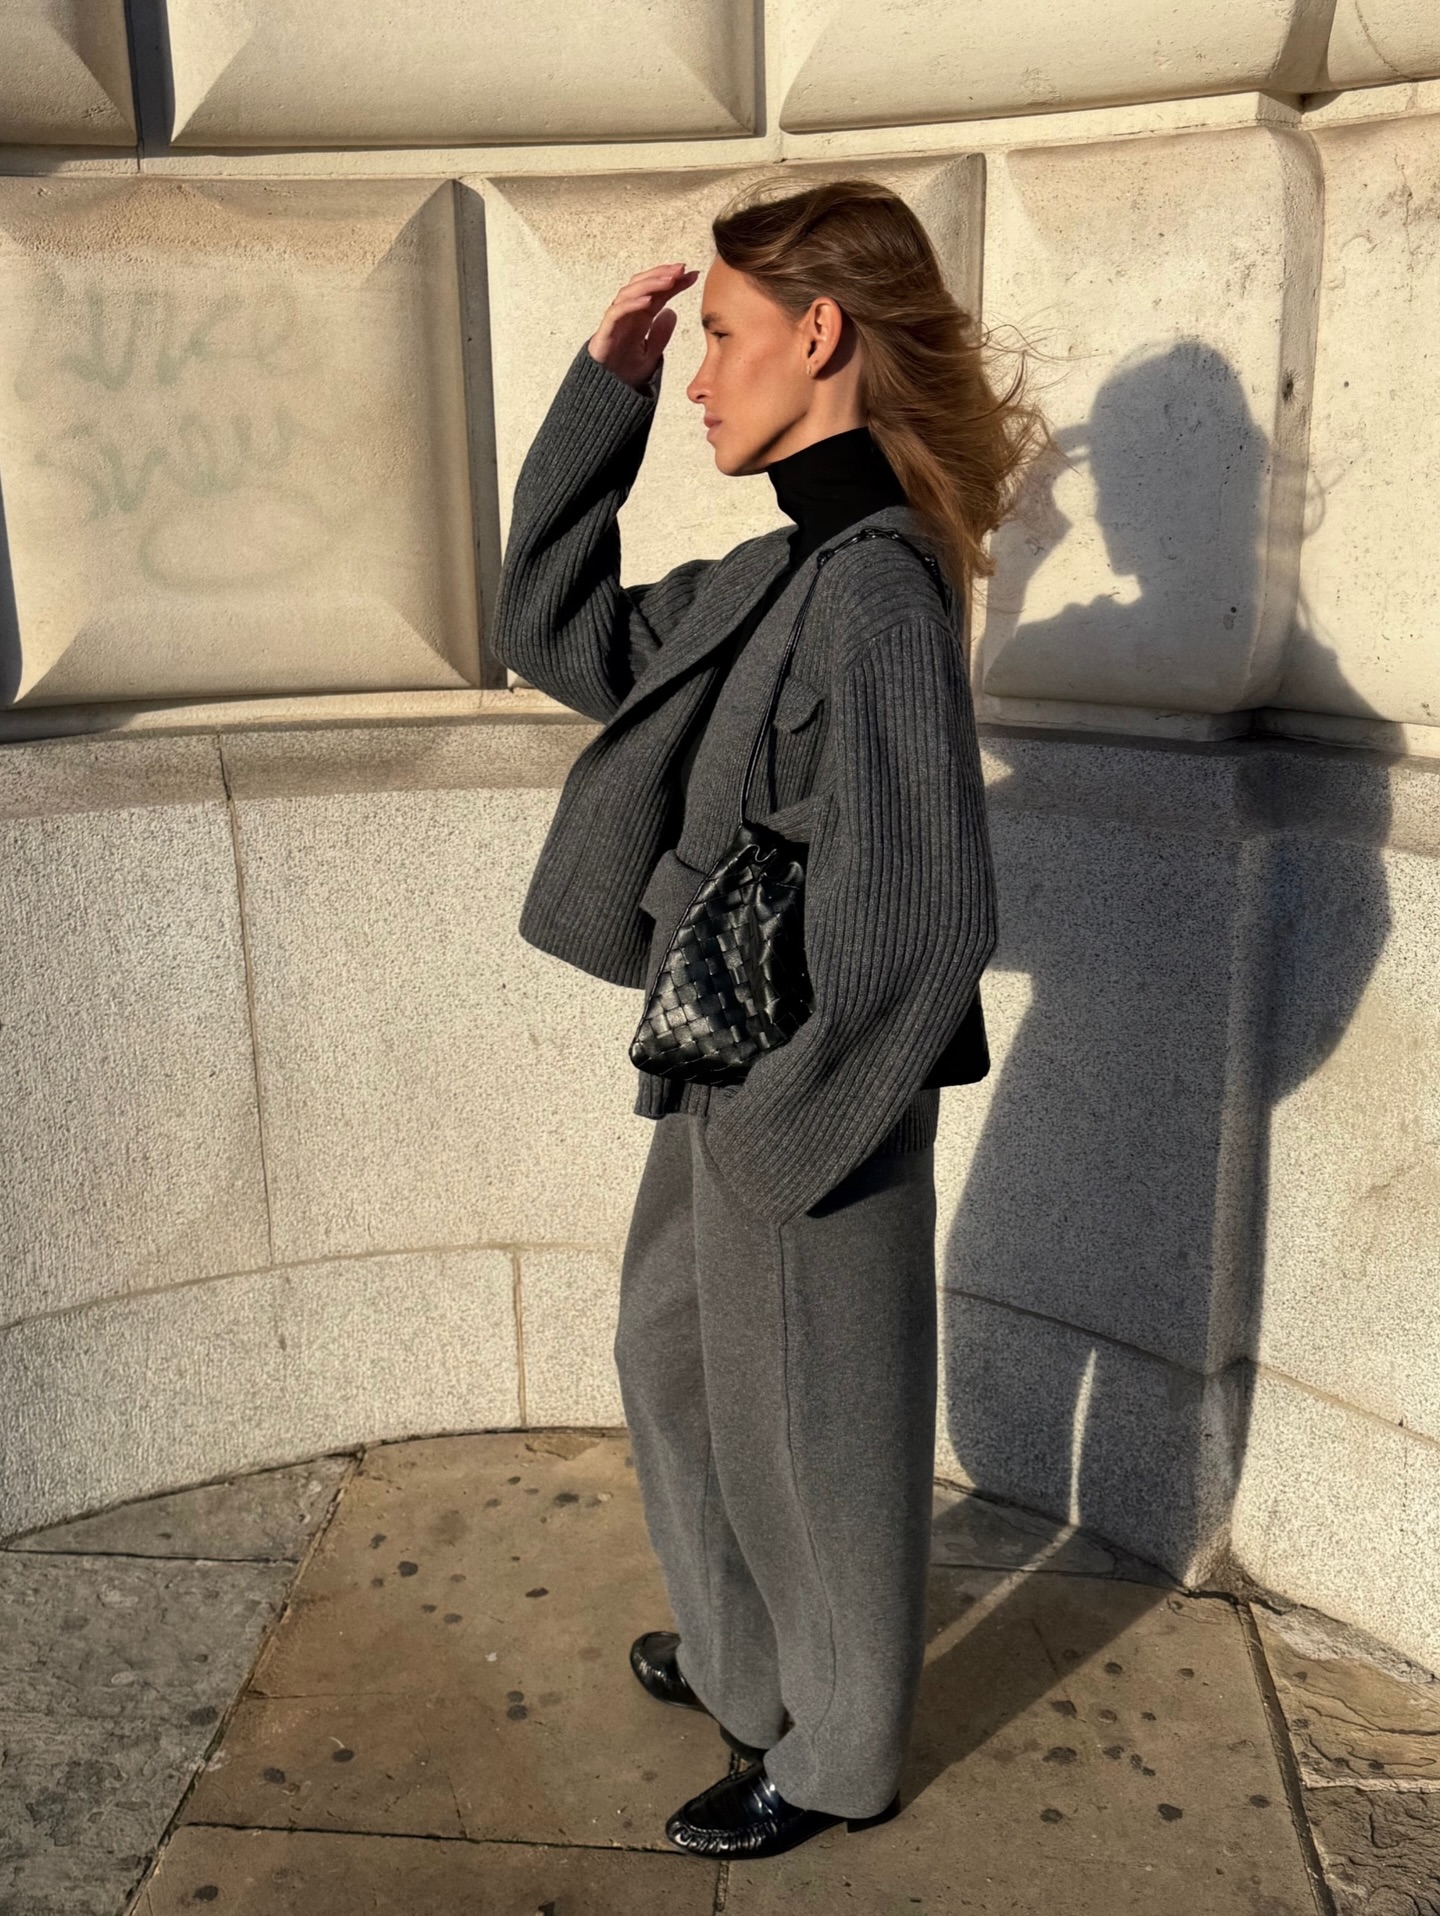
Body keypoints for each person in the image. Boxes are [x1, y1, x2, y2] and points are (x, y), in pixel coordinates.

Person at [492, 177, 1051, 1861]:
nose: (700, 376)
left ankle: (835, 1754)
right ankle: (749, 1666)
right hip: (723, 1066)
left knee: (819, 1440)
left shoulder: (878, 593)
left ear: (820, 336)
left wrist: (801, 1124)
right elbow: (555, 633)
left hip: (806, 1094)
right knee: (676, 1368)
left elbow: (931, 914)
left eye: (722, 337)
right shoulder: (780, 573)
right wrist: (599, 400)